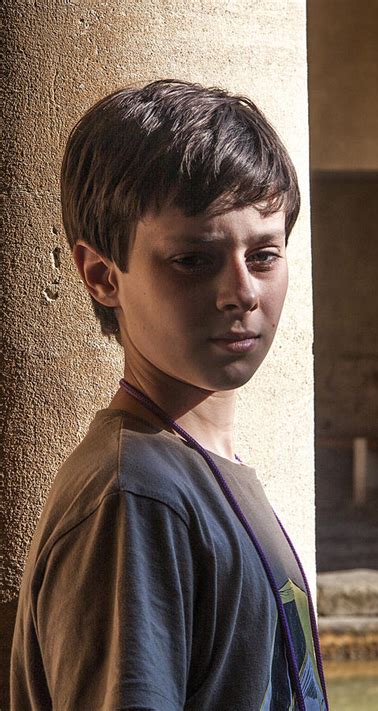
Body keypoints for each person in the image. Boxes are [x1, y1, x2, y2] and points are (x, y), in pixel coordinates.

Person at [10, 79, 329, 711]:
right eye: (192, 260)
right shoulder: (137, 497)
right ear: (103, 276)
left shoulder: (201, 471)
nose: (241, 292)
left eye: (264, 256)